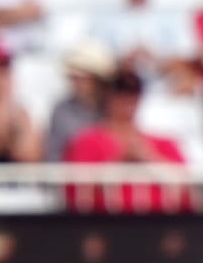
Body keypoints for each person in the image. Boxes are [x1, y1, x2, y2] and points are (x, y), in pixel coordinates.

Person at [63, 67, 190, 213]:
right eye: (120, 92)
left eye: (133, 93)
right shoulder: (85, 142)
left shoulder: (163, 143)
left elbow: (186, 187)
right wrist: (120, 162)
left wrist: (148, 157)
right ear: (108, 96)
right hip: (104, 224)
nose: (127, 100)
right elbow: (77, 193)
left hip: (158, 224)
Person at [45, 39, 117, 161]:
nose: (75, 83)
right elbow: (54, 155)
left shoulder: (115, 108)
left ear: (98, 80)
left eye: (81, 78)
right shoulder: (62, 110)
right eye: (72, 77)